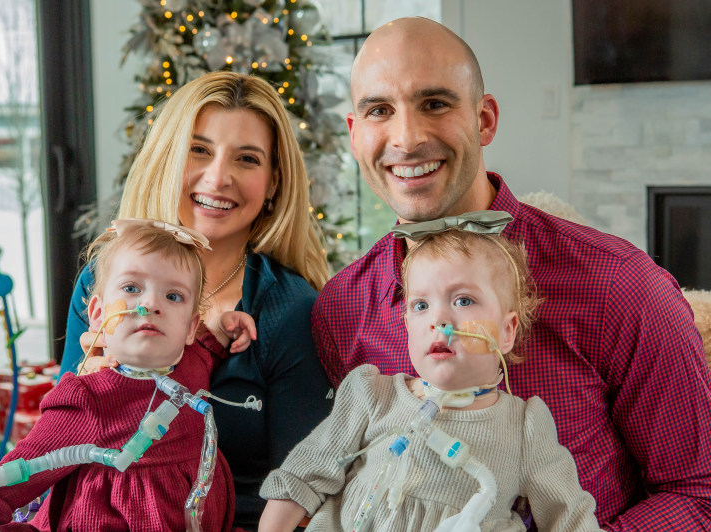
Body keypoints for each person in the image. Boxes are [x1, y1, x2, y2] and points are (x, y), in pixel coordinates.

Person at [312, 16, 711, 530]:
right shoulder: (341, 309)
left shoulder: (619, 286)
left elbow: (697, 491)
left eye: (435, 103)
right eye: (379, 111)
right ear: (354, 133)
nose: (406, 138)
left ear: (484, 120)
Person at [60, 71, 334, 528]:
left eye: (247, 159)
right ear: (168, 159)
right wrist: (85, 390)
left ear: (272, 184)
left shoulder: (288, 308)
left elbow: (303, 496)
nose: (219, 176)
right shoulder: (103, 280)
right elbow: (59, 448)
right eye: (199, 149)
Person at [260, 225, 600, 531]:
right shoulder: (373, 395)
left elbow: (570, 517)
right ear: (407, 326)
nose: (439, 318)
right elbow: (302, 476)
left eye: (463, 300)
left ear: (507, 331)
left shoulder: (523, 426)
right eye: (421, 305)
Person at [0, 219, 257, 530]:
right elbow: (31, 459)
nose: (151, 303)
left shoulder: (193, 363)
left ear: (191, 327)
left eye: (173, 296)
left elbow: (209, 344)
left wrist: (223, 325)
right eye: (131, 288)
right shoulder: (91, 396)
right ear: (98, 314)